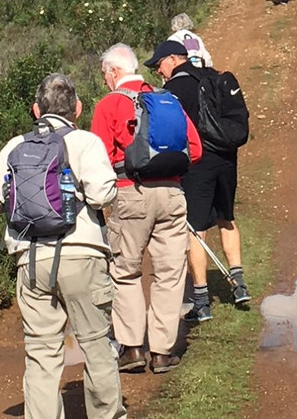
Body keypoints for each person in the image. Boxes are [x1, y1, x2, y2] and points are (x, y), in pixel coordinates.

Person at [0, 74, 126, 419]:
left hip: (31, 260)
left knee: (41, 353)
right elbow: (102, 194)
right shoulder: (85, 142)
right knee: (96, 345)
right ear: (78, 109)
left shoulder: (15, 146)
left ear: (36, 109)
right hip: (82, 256)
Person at [91, 43, 203, 375]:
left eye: (104, 75)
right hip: (172, 193)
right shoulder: (167, 99)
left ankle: (132, 348)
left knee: (125, 271)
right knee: (170, 274)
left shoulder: (109, 105)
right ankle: (162, 352)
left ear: (113, 72)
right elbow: (194, 149)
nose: (104, 81)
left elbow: (96, 159)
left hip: (130, 194)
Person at [146, 43, 250, 324]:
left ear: (172, 59)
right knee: (227, 218)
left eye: (159, 64)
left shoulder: (174, 91)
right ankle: (239, 284)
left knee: (196, 229)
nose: (158, 70)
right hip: (227, 160)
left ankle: (202, 301)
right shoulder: (214, 76)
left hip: (197, 165)